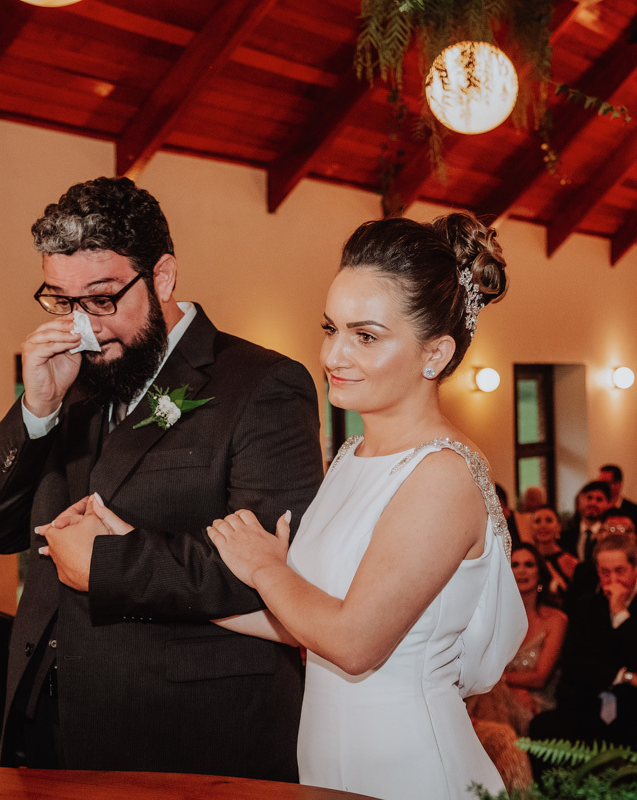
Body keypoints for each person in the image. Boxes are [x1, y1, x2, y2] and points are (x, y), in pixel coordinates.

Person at [0, 177, 324, 776]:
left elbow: (271, 567)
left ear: (162, 277)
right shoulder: (73, 384)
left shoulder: (260, 384)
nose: (84, 325)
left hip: (183, 736)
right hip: (43, 723)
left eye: (103, 299)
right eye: (61, 300)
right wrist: (36, 410)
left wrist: (106, 563)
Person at [201, 213, 527, 800]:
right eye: (331, 328)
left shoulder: (442, 474)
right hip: (328, 759)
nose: (333, 354)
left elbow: (353, 643)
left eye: (366, 335)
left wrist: (267, 568)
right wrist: (129, 562)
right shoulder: (350, 456)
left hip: (412, 767)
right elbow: (306, 621)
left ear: (436, 353)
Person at [530, 535, 637, 749]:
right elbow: (574, 663)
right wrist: (625, 676)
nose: (613, 581)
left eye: (620, 571)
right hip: (593, 699)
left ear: (636, 566)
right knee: (543, 728)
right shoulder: (585, 607)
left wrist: (620, 613)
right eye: (605, 572)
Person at [502, 544, 568, 725]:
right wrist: (506, 689)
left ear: (539, 573)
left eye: (529, 565)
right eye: (515, 565)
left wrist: (502, 682)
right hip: (498, 695)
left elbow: (539, 677)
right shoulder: (496, 618)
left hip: (538, 706)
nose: (521, 571)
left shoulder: (555, 619)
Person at [529, 504, 578, 602]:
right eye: (537, 521)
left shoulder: (570, 561)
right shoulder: (527, 559)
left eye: (549, 520)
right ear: (531, 528)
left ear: (558, 527)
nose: (543, 526)